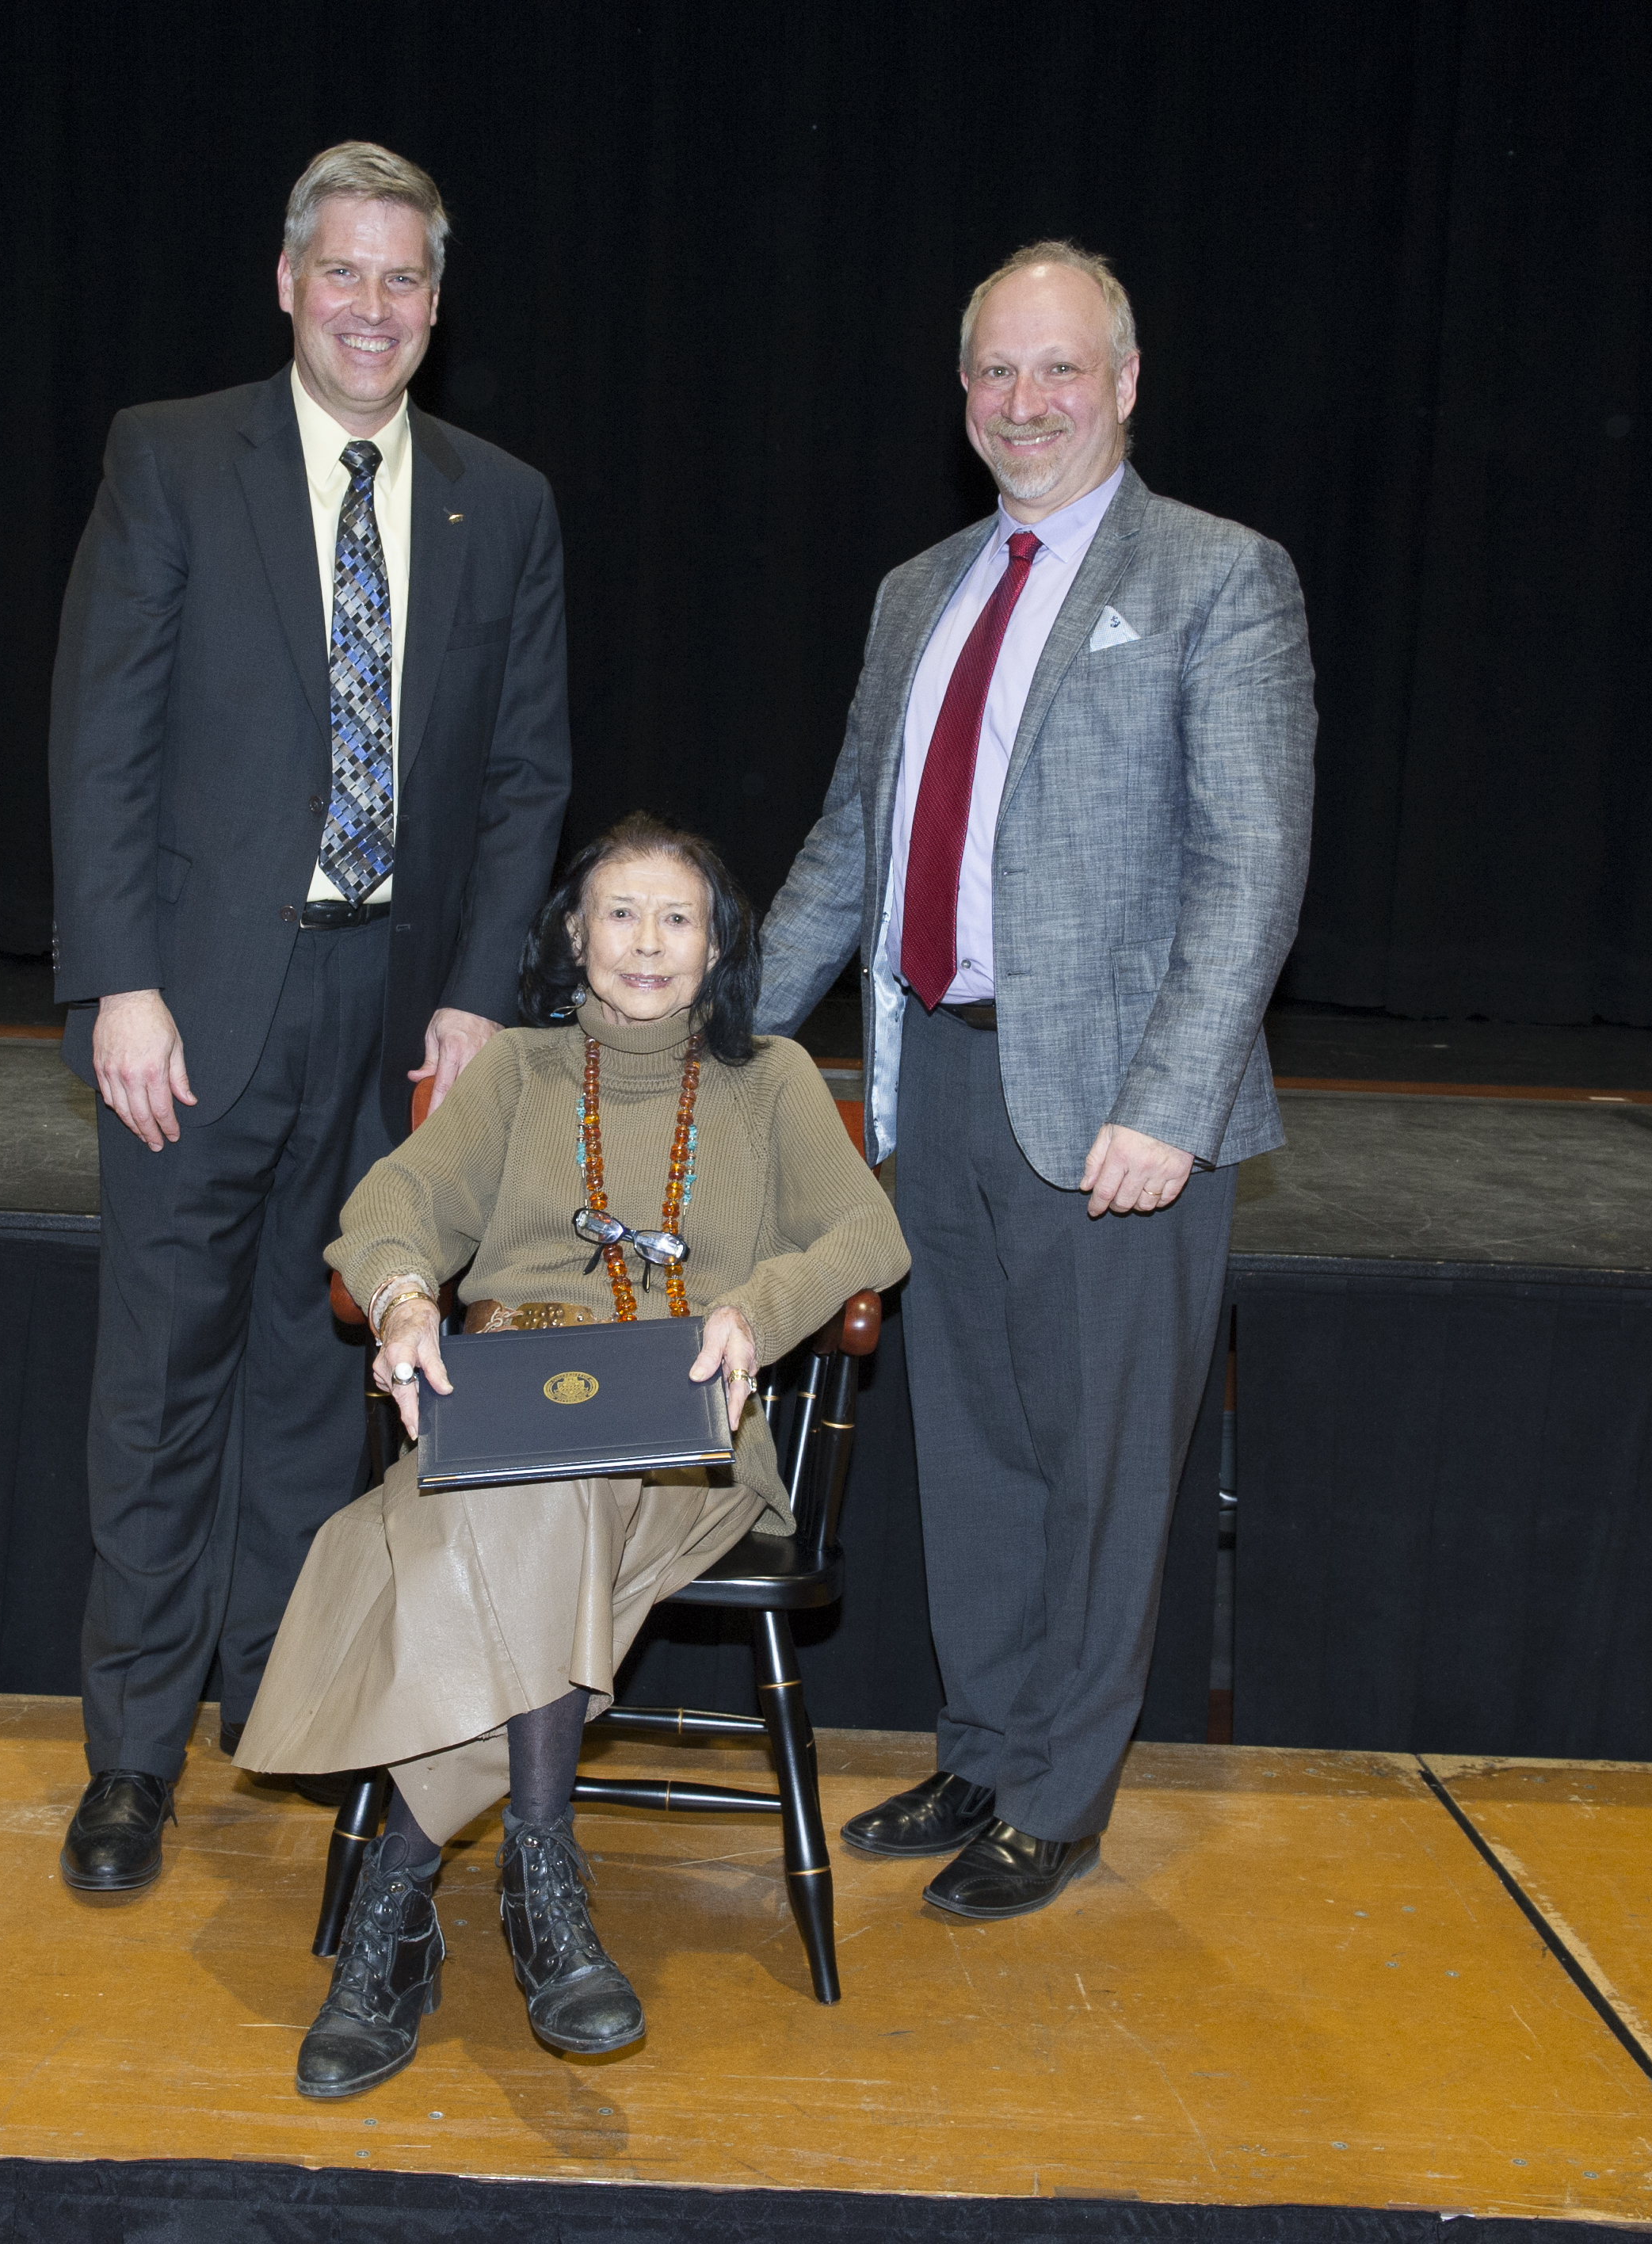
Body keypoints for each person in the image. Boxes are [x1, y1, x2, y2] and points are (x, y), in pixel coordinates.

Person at [757, 241, 1315, 1919]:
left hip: (1117, 1123)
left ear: (1124, 384)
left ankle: (1063, 1797)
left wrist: (1170, 1099)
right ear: (964, 395)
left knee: (1102, 1472)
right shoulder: (916, 591)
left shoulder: (1220, 577)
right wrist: (711, 1029)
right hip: (936, 1095)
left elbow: (1253, 863)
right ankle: (987, 1748)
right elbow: (852, 844)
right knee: (984, 1459)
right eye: (995, 373)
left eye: (1057, 369)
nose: (1024, 402)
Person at [47, 143, 570, 1895]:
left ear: (438, 302)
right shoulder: (173, 458)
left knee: (312, 1383)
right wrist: (118, 977)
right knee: (159, 1389)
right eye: (342, 273)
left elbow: (521, 780)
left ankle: (269, 1704)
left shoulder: (500, 503)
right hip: (189, 1012)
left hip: (388, 1021)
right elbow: (100, 735)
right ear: (287, 282)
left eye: (403, 280)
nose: (371, 306)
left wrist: (478, 1001)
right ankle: (130, 1758)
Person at [235, 815, 907, 2097]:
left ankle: (406, 1897)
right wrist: (402, 1300)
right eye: (618, 913)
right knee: (538, 1487)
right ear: (572, 936)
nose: (646, 943)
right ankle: (541, 1880)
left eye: (677, 917)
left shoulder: (769, 1082)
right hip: (503, 1423)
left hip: (686, 1449)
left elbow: (869, 1234)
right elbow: (389, 1210)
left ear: (718, 948)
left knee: (545, 1497)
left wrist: (756, 1311)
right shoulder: (518, 1074)